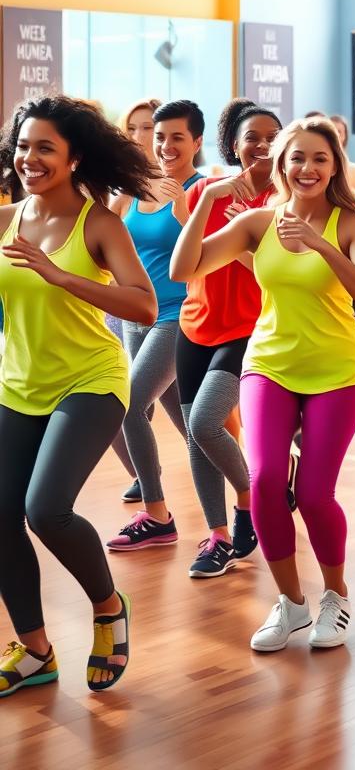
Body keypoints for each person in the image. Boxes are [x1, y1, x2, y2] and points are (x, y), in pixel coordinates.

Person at [173, 116, 355, 651]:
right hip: (268, 363)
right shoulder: (259, 222)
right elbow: (183, 268)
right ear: (280, 165)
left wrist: (319, 244)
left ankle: (336, 596)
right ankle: (290, 603)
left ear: (334, 165)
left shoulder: (351, 223)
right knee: (266, 480)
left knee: (313, 494)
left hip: (337, 370)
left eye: (319, 158)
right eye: (296, 158)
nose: (307, 168)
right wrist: (207, 197)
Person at [0, 96, 158, 696]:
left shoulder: (99, 224)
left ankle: (108, 606)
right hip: (18, 383)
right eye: (23, 146)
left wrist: (60, 274)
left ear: (73, 159)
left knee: (46, 510)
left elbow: (143, 303)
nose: (30, 159)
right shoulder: (5, 218)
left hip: (88, 381)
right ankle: (36, 652)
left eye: (45, 148)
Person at [170, 98, 282, 578]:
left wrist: (241, 236)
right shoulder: (208, 191)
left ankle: (251, 500)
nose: (260, 145)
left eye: (271, 137)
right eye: (251, 137)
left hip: (248, 329)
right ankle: (218, 535)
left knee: (204, 423)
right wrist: (210, 203)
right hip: (195, 324)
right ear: (233, 145)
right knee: (198, 439)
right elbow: (185, 264)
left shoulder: (283, 202)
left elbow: (274, 275)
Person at [105, 101, 205, 552]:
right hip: (136, 316)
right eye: (158, 136)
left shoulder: (204, 188)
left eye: (175, 137)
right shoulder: (134, 188)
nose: (164, 144)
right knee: (193, 428)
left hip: (178, 315)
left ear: (196, 143)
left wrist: (185, 207)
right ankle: (268, 482)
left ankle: (158, 515)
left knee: (127, 403)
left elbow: (208, 253)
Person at [108, 97, 163, 500]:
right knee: (184, 417)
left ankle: (153, 497)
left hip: (171, 313)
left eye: (148, 128)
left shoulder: (180, 184)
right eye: (133, 128)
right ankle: (146, 476)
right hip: (129, 311)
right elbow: (104, 242)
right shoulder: (124, 185)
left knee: (130, 399)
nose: (140, 136)